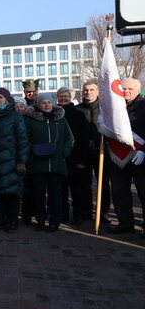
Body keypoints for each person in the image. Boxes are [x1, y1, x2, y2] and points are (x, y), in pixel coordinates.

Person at [23, 93, 74, 232]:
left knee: (55, 195)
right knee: (39, 195)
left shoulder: (61, 120)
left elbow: (70, 139)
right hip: (38, 164)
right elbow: (25, 140)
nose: (46, 105)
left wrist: (63, 154)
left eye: (49, 102)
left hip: (57, 164)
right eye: (43, 102)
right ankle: (40, 219)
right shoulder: (31, 121)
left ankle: (54, 220)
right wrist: (31, 153)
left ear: (53, 104)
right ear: (38, 105)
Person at [0, 87, 29, 233]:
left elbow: (23, 141)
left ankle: (13, 220)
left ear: (7, 99)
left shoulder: (16, 117)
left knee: (12, 193)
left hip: (11, 161)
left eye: (1, 97)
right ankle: (0, 218)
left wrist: (22, 161)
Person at [106, 78, 145, 235]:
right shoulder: (116, 106)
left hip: (140, 158)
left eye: (130, 89)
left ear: (138, 90)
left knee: (143, 192)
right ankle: (125, 223)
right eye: (124, 89)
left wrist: (144, 151)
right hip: (118, 158)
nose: (126, 91)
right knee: (119, 191)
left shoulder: (143, 106)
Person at [75, 81, 110, 225]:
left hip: (102, 152)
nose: (88, 92)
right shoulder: (77, 110)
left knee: (103, 184)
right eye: (85, 90)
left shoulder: (105, 109)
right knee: (84, 184)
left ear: (97, 91)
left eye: (91, 90)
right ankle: (86, 212)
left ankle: (103, 213)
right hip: (83, 153)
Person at [56, 87, 91, 227]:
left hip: (75, 158)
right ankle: (62, 214)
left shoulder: (78, 114)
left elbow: (83, 139)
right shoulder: (54, 113)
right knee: (61, 189)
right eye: (60, 96)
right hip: (59, 158)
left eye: (65, 96)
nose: (63, 98)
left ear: (70, 97)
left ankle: (78, 214)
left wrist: (82, 160)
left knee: (77, 190)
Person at [20, 79, 41, 227]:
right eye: (28, 92)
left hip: (38, 152)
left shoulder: (42, 106)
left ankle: (38, 212)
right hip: (24, 151)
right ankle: (26, 213)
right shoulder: (20, 106)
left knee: (38, 187)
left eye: (33, 92)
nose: (31, 94)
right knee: (26, 186)